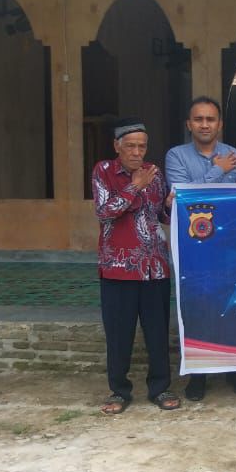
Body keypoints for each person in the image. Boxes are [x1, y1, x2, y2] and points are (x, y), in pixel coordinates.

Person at [163, 96, 236, 401]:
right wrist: (218, 170)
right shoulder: (176, 156)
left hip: (232, 249)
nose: (204, 125)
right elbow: (183, 196)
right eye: (198, 119)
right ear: (189, 124)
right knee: (196, 307)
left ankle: (235, 370)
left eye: (210, 119)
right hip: (194, 249)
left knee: (234, 305)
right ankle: (198, 374)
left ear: (220, 124)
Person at [92, 117, 180, 414]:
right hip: (118, 268)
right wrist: (134, 186)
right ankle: (119, 391)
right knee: (119, 334)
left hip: (155, 267)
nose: (137, 152)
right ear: (117, 146)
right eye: (130, 146)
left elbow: (161, 216)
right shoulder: (104, 171)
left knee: (157, 333)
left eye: (142, 146)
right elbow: (104, 212)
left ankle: (160, 388)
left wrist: (169, 205)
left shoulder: (154, 173)